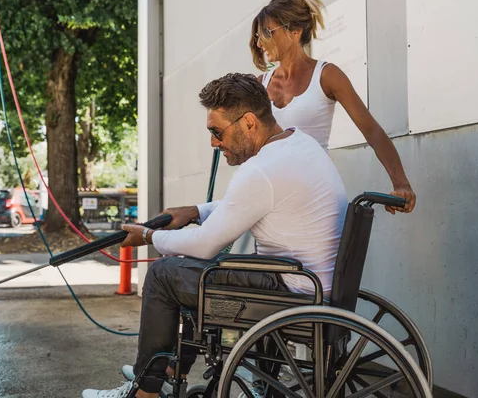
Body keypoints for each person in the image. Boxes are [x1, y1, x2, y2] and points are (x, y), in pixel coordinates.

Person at [81, 73, 347, 398]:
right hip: (315, 286)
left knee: (166, 275)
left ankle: (146, 391)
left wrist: (149, 236)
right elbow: (251, 203)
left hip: (290, 294)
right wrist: (195, 211)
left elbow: (206, 244)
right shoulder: (298, 144)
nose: (213, 143)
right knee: (203, 276)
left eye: (216, 132)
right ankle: (168, 370)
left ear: (249, 122)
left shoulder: (260, 170)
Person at [251, 0, 416, 215]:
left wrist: (401, 184)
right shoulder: (259, 85)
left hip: (315, 196)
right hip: (272, 202)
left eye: (266, 33)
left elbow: (372, 130)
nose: (260, 43)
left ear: (295, 31)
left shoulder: (327, 76)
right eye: (257, 36)